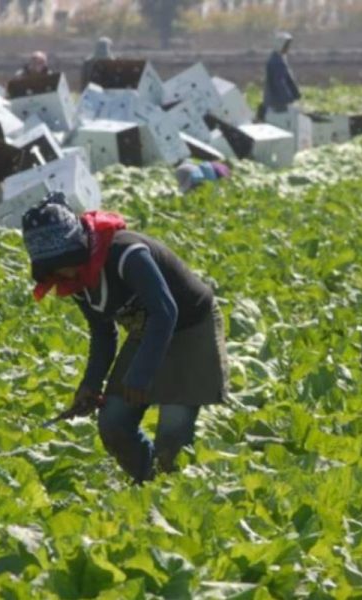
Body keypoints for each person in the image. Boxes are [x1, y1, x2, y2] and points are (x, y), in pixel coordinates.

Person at [21, 192, 229, 483]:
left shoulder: (125, 253)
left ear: (78, 246)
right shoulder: (74, 279)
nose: (63, 271)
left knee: (172, 435)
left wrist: (141, 375)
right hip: (147, 331)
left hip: (191, 328)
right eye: (54, 266)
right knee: (114, 423)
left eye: (66, 260)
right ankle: (147, 483)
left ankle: (170, 493)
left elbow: (165, 311)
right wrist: (90, 384)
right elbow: (103, 333)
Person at [261, 32, 301, 117]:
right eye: (286, 45)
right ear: (280, 45)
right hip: (277, 104)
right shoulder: (276, 61)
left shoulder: (279, 58)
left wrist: (295, 94)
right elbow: (280, 83)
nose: (288, 48)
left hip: (277, 103)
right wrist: (289, 98)